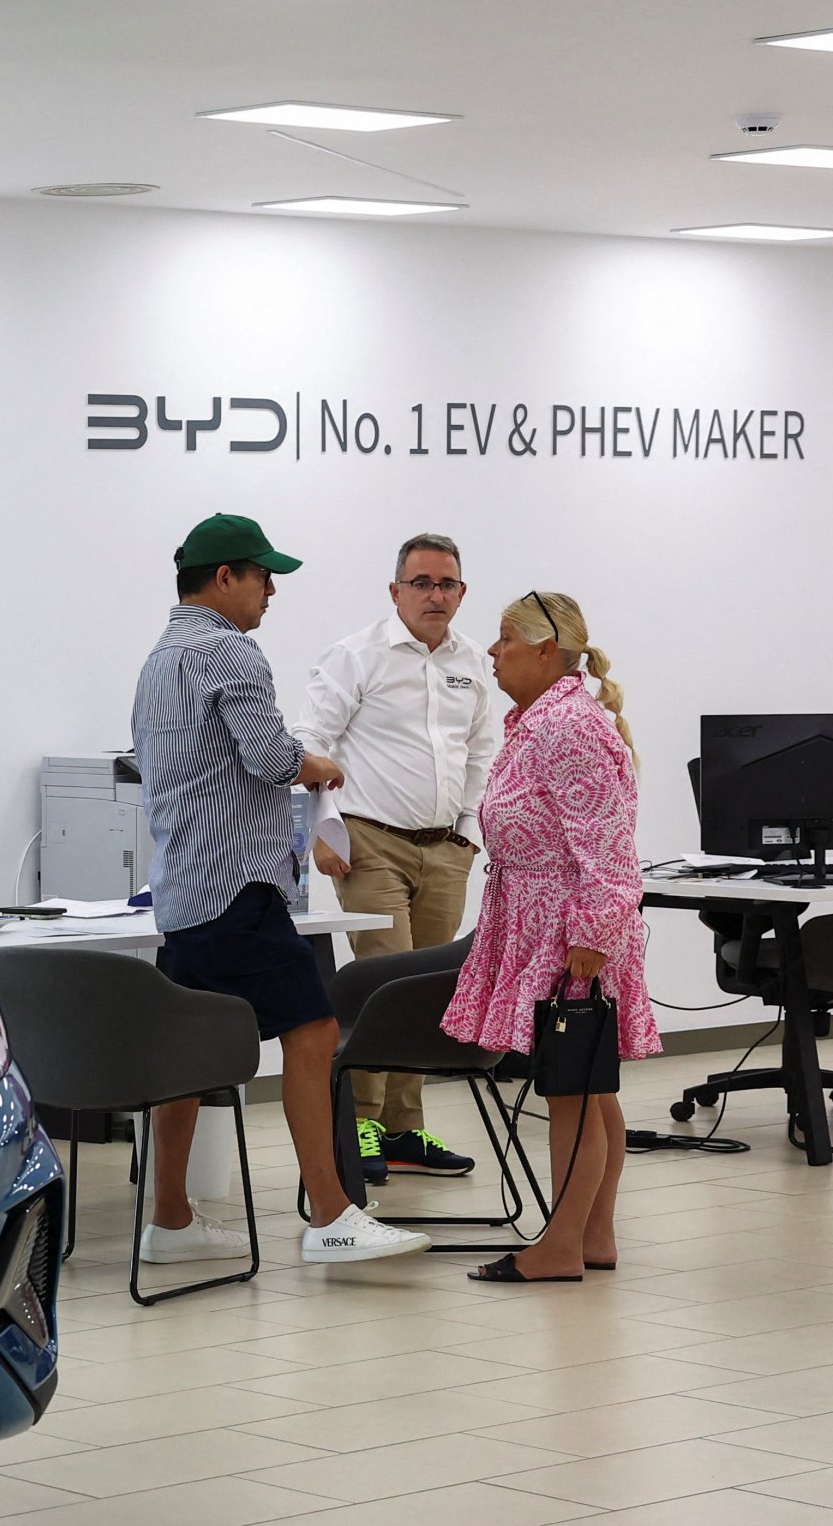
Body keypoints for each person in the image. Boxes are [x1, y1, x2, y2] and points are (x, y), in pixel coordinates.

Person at [132, 514, 431, 1268]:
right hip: (239, 885)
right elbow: (270, 758)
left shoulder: (161, 657)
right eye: (263, 576)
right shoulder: (229, 649)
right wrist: (319, 765)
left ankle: (170, 1219)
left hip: (184, 890)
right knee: (315, 1030)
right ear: (224, 577)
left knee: (189, 1053)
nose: (271, 591)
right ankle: (332, 1213)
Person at [441, 591, 661, 1282]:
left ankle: (561, 1246)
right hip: (547, 924)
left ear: (544, 650)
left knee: (571, 1092)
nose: (492, 650)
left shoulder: (568, 727)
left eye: (505, 638)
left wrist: (589, 939)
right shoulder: (542, 721)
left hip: (570, 935)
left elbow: (609, 850)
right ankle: (592, 1236)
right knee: (589, 1091)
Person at [303, 532, 502, 1185]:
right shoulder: (357, 655)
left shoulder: (472, 662)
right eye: (421, 583)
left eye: (446, 584)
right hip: (370, 843)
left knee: (424, 993)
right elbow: (311, 740)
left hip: (445, 849)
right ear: (396, 591)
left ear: (462, 592)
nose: (434, 595)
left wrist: (469, 835)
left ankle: (402, 1129)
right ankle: (360, 1121)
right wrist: (324, 827)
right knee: (382, 982)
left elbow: (481, 751)